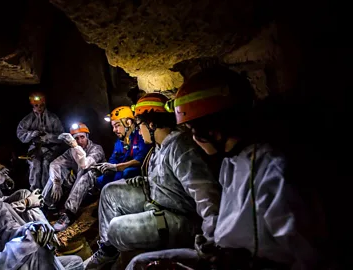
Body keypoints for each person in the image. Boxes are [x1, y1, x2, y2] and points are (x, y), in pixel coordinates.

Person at [127, 67, 324, 270]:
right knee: (139, 264)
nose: (193, 138)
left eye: (194, 129)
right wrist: (211, 241)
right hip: (223, 254)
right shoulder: (230, 161)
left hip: (247, 263)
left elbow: (308, 256)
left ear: (214, 128)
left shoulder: (274, 170)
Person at [84, 93, 221, 269]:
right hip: (161, 202)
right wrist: (145, 180)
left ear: (151, 124)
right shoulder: (159, 147)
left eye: (139, 124)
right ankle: (108, 250)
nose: (139, 131)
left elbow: (207, 197)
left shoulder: (181, 148)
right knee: (110, 192)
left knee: (116, 229)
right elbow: (167, 178)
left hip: (181, 218)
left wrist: (210, 241)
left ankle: (121, 252)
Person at [41, 122, 105, 231]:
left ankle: (68, 213)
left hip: (93, 185)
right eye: (77, 139)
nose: (80, 141)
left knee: (86, 172)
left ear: (87, 137)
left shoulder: (96, 149)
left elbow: (85, 164)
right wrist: (56, 182)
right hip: (77, 183)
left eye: (82, 137)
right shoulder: (71, 152)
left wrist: (75, 146)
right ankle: (44, 205)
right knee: (56, 173)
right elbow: (55, 164)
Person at [17, 91, 64, 190]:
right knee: (35, 165)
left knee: (47, 164)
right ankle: (35, 191)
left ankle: (47, 190)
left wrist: (49, 137)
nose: (39, 108)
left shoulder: (53, 118)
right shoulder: (28, 119)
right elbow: (20, 133)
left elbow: (61, 136)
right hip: (35, 147)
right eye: (36, 105)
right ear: (32, 105)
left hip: (51, 148)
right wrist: (32, 134)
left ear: (45, 104)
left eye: (41, 105)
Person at [98, 106, 151, 188]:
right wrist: (107, 167)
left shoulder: (141, 136)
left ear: (128, 123)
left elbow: (141, 159)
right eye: (113, 126)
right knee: (100, 180)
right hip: (121, 171)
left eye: (117, 125)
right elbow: (113, 159)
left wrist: (117, 167)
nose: (114, 130)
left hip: (138, 174)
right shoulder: (119, 142)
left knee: (127, 173)